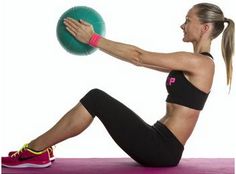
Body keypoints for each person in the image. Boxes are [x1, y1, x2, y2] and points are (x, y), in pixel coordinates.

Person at [2, 2, 234, 168]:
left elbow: (139, 56)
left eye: (188, 20)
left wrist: (93, 40)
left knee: (96, 98)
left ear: (205, 28)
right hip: (159, 140)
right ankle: (39, 149)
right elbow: (138, 60)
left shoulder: (200, 63)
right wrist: (98, 44)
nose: (182, 26)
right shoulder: (192, 62)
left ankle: (34, 150)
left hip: (161, 149)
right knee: (97, 98)